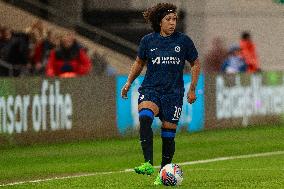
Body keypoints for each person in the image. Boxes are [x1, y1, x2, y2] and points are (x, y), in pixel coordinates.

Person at [120, 3, 201, 185]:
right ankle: (148, 163)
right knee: (145, 116)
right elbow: (139, 63)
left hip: (173, 94)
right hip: (151, 89)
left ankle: (163, 172)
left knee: (168, 136)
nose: (172, 23)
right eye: (168, 19)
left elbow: (195, 63)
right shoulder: (148, 41)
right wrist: (128, 82)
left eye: (174, 19)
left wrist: (193, 88)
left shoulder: (184, 41)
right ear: (160, 21)